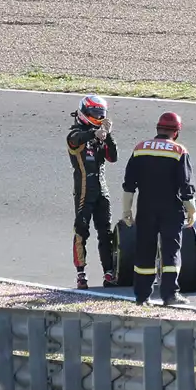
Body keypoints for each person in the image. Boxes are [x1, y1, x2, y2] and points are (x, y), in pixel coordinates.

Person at [121, 111, 196, 306]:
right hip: (171, 209)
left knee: (145, 250)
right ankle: (170, 295)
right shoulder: (179, 151)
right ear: (177, 131)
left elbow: (129, 183)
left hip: (145, 208)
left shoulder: (140, 148)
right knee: (171, 250)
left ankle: (142, 297)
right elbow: (185, 186)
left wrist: (126, 210)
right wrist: (192, 209)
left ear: (158, 128)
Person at [67, 93, 119, 290]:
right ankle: (81, 274)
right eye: (94, 113)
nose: (98, 117)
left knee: (105, 232)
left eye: (101, 114)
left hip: (101, 188)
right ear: (84, 112)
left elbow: (113, 157)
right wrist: (93, 134)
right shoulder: (74, 134)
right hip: (83, 189)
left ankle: (109, 272)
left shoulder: (102, 136)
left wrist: (108, 134)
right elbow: (76, 140)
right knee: (81, 229)